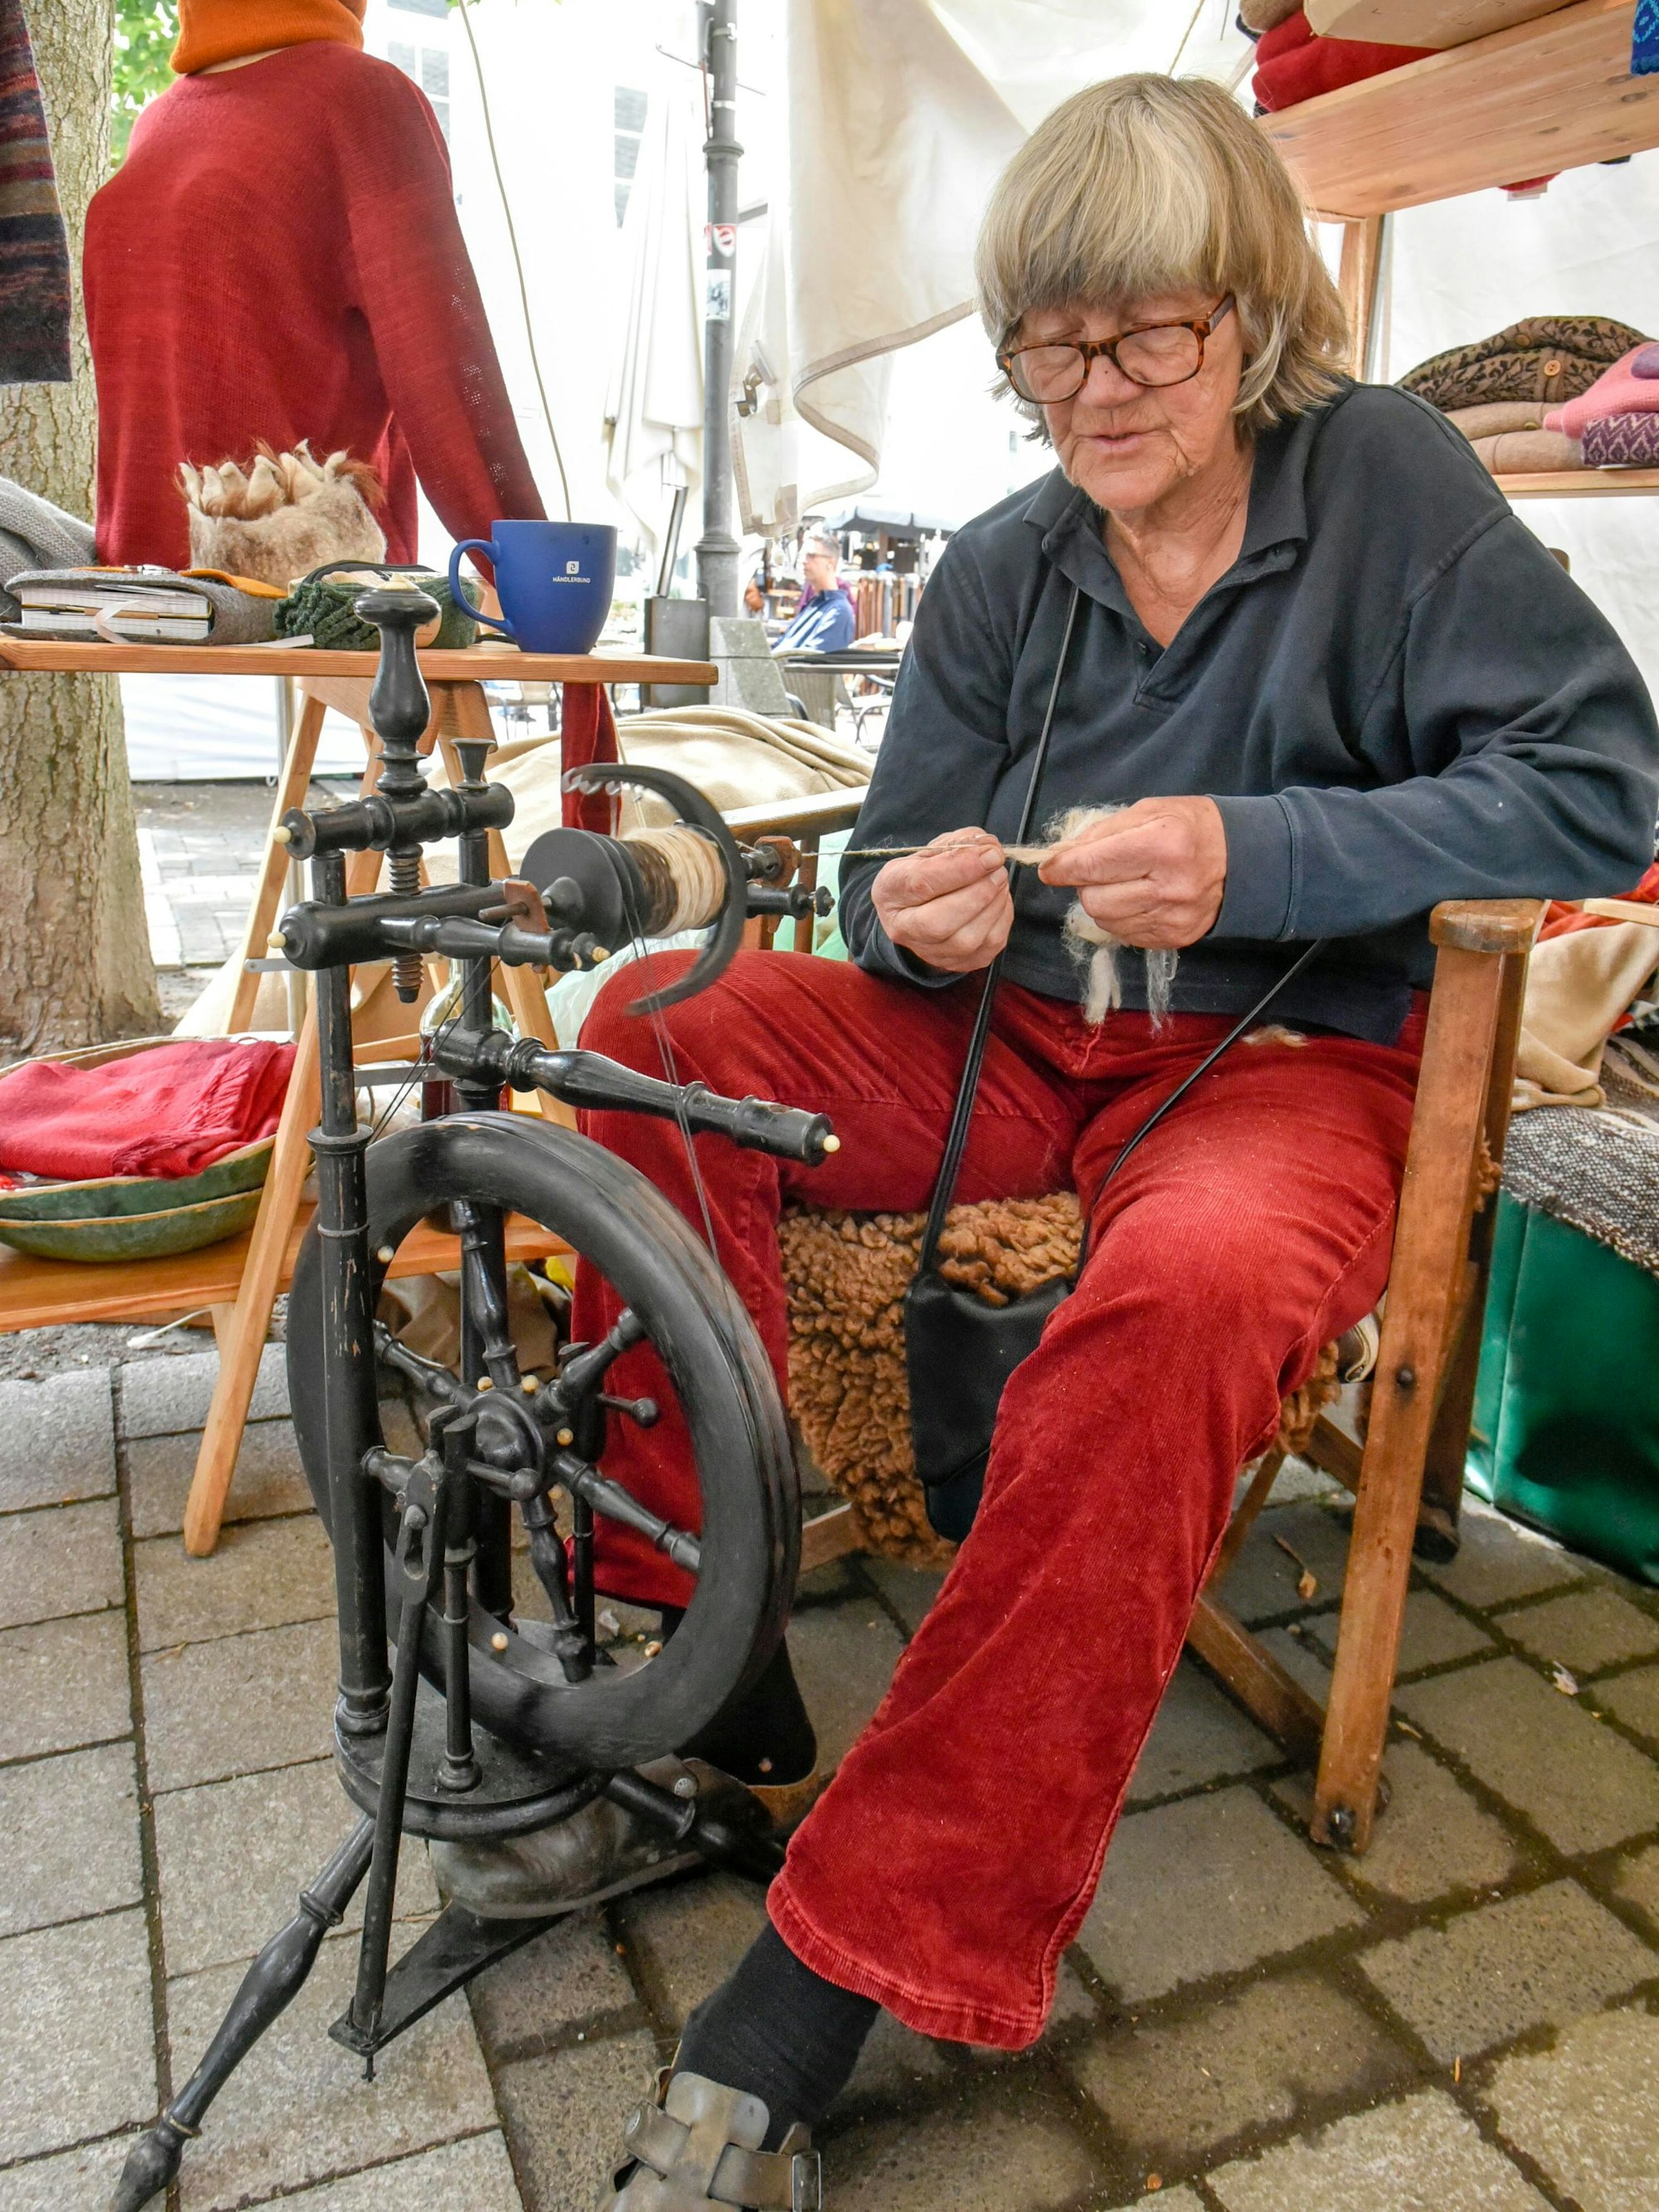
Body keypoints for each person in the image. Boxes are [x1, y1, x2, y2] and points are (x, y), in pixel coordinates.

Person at [562, 76, 1657, 2206]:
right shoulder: (999, 567)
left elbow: (1596, 788)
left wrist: (1255, 850)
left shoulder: (1393, 491)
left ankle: (847, 1956)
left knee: (1187, 1297)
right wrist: (906, 898)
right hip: (1005, 1038)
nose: (1091, 388)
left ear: (1248, 316)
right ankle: (703, 1644)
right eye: (1047, 346)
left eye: (1141, 333)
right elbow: (891, 852)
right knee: (647, 1025)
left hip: (1275, 1070)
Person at [82, 0, 543, 568]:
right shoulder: (159, 120)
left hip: (305, 589)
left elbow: (440, 358)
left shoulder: (359, 98)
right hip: (148, 593)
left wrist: (530, 565)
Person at [773, 530, 856, 652]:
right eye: (802, 556)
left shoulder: (838, 610)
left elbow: (813, 660)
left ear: (831, 562)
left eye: (811, 556)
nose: (803, 561)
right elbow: (783, 644)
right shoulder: (814, 604)